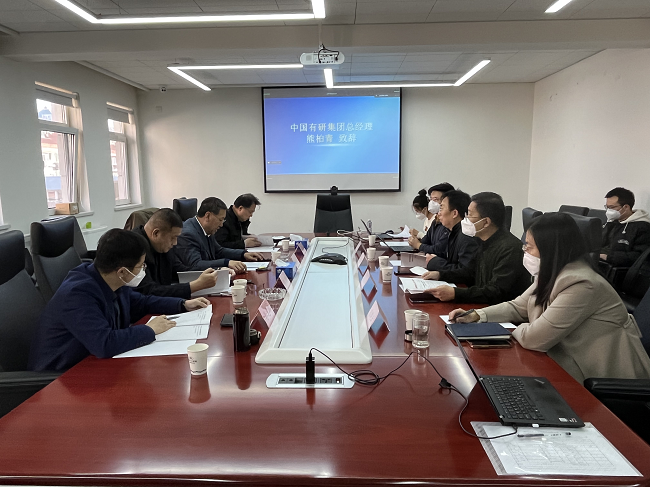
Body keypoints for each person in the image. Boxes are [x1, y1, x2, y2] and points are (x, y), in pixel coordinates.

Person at [450, 213, 650, 383]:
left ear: (551, 249)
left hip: (600, 380)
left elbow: (534, 339)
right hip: (566, 362)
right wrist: (477, 315)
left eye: (529, 247)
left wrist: (508, 329)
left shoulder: (582, 284)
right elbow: (519, 306)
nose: (525, 252)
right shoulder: (553, 272)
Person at [29, 229, 210, 372]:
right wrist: (149, 329)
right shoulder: (77, 294)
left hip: (93, 364)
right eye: (141, 266)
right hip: (62, 377)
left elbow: (141, 302)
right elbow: (104, 344)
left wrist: (182, 304)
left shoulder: (110, 279)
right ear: (122, 271)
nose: (143, 270)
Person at [423, 192, 531, 304]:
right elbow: (469, 273)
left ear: (486, 222)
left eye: (469, 215)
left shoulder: (510, 249)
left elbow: (496, 292)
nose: (465, 219)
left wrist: (456, 293)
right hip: (482, 305)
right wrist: (440, 274)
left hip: (500, 310)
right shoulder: (482, 240)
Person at [131, 208, 219, 298]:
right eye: (173, 237)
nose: (175, 243)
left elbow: (180, 270)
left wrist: (216, 271)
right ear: (156, 233)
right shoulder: (134, 248)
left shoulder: (162, 245)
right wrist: (194, 286)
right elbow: (149, 291)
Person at [175, 197, 264, 274]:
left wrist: (243, 254)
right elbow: (195, 264)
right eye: (220, 220)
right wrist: (226, 262)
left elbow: (219, 251)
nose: (221, 225)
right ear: (208, 216)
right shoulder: (188, 234)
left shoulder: (207, 229)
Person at [423, 190, 480, 278]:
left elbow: (466, 272)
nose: (439, 213)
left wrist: (435, 262)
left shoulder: (467, 236)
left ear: (454, 213)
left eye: (441, 208)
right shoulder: (452, 231)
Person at [600, 187, 650, 267]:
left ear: (626, 207)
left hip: (618, 268)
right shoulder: (612, 222)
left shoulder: (643, 227)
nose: (608, 211)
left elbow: (640, 257)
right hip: (601, 262)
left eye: (612, 207)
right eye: (607, 207)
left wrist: (608, 257)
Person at [408, 182, 454, 257]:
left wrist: (418, 245)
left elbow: (438, 250)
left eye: (435, 199)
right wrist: (414, 241)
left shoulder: (449, 224)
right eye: (431, 199)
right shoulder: (436, 220)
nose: (431, 203)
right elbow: (426, 240)